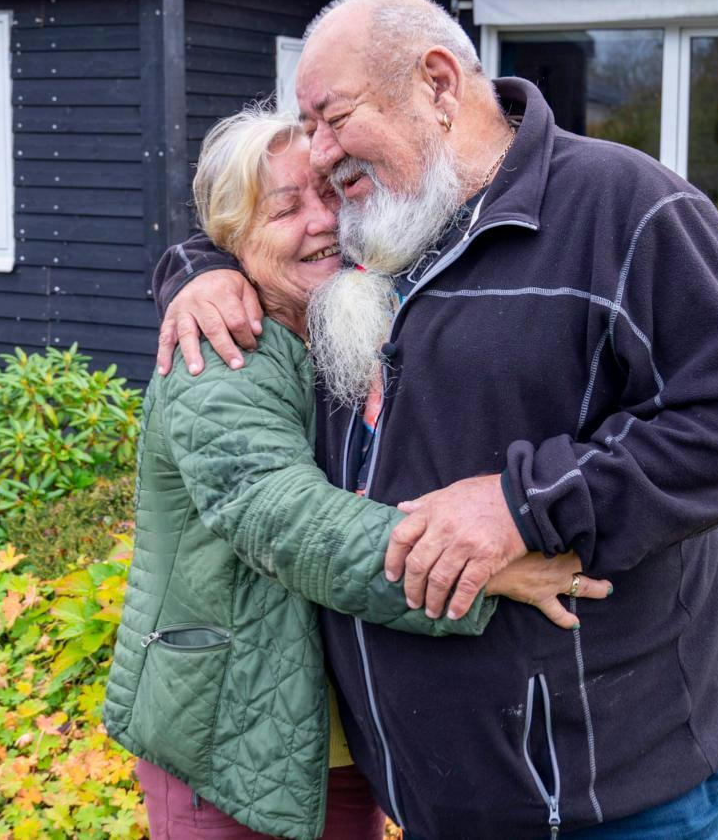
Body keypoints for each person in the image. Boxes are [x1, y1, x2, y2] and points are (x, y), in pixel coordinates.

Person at [151, 0, 718, 839]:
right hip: (438, 799)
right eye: (304, 126)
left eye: (330, 117)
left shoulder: (624, 206)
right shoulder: (386, 214)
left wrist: (519, 504)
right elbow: (261, 224)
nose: (317, 155)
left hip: (621, 796)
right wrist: (198, 267)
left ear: (435, 84)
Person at [103, 105, 612, 840]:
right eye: (284, 209)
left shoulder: (350, 316)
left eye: (331, 193)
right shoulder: (217, 357)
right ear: (233, 241)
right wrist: (482, 562)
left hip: (334, 736)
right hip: (229, 735)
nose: (323, 221)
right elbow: (284, 518)